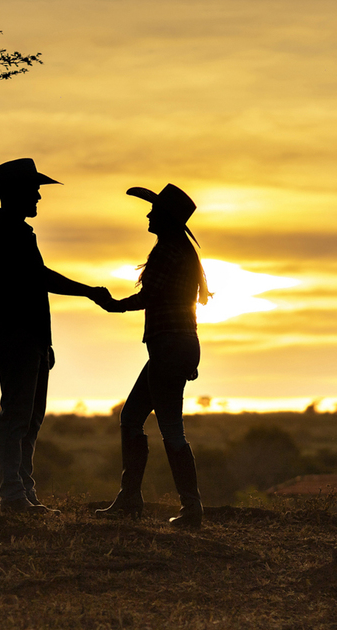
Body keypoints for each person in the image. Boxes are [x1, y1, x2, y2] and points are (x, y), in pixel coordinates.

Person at [0, 158, 113, 514]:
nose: (38, 195)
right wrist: (90, 291)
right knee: (18, 417)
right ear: (16, 193)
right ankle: (13, 496)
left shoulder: (14, 231)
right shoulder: (7, 232)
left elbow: (38, 279)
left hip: (28, 337)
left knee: (30, 419)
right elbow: (41, 279)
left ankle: (23, 492)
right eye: (33, 189)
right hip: (17, 335)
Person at [96, 183, 209, 528]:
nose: (148, 214)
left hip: (168, 346)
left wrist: (114, 306)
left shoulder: (167, 252)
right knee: (132, 417)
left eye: (153, 210)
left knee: (170, 428)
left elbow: (151, 296)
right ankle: (132, 498)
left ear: (164, 218)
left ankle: (190, 509)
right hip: (178, 345)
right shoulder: (181, 252)